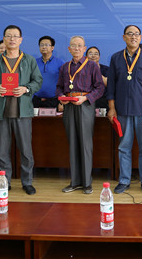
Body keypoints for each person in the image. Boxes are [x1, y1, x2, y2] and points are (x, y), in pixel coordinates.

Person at [0, 25, 42, 195]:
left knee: (26, 150)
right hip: (1, 111)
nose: (12, 39)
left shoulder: (29, 60)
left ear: (21, 40)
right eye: (9, 36)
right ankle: (4, 182)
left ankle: (27, 182)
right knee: (2, 150)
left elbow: (37, 81)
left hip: (22, 111)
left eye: (15, 36)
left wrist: (26, 88)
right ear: (4, 39)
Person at [107, 25, 142, 195]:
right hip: (122, 110)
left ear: (140, 37)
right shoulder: (116, 58)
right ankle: (124, 181)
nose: (133, 37)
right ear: (124, 37)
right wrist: (112, 108)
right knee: (124, 147)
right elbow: (111, 86)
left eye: (136, 34)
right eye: (130, 34)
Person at [57, 36, 105, 194]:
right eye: (73, 46)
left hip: (85, 105)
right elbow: (59, 87)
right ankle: (75, 181)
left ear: (84, 49)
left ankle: (87, 183)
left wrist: (85, 98)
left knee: (85, 143)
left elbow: (100, 88)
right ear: (69, 49)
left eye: (79, 46)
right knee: (72, 142)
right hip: (69, 106)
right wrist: (61, 97)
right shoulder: (65, 67)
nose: (76, 48)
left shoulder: (92, 66)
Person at [33, 36, 63, 110]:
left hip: (54, 100)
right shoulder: (34, 62)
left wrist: (61, 102)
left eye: (46, 45)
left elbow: (64, 82)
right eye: (41, 45)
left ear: (52, 47)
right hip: (36, 100)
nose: (44, 47)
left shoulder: (60, 63)